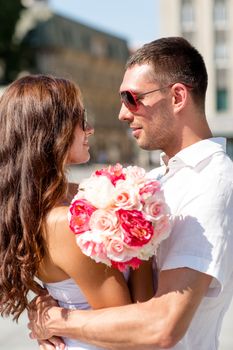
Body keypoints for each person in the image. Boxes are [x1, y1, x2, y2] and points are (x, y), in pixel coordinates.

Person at [27, 37, 233, 350]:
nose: (122, 113)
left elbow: (163, 327)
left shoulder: (212, 183)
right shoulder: (152, 180)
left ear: (177, 97)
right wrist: (48, 301)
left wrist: (57, 320)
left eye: (131, 98)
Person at [0, 74, 154, 350]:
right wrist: (143, 238)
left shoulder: (71, 197)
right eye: (81, 121)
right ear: (53, 133)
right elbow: (132, 330)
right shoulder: (63, 222)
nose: (90, 129)